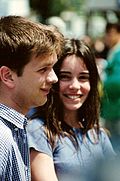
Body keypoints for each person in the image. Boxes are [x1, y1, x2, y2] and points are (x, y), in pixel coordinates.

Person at [27, 38, 115, 181]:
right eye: (65, 77)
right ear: (53, 80)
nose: (75, 86)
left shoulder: (98, 134)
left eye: (83, 77)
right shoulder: (38, 131)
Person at [0, 15, 64, 180]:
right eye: (43, 70)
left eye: (53, 68)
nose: (54, 78)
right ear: (8, 76)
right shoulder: (2, 136)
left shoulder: (16, 128)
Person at [100, 22, 120, 151]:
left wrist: (102, 80)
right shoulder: (114, 52)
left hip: (117, 109)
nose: (107, 37)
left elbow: (117, 81)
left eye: (110, 34)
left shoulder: (118, 53)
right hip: (112, 108)